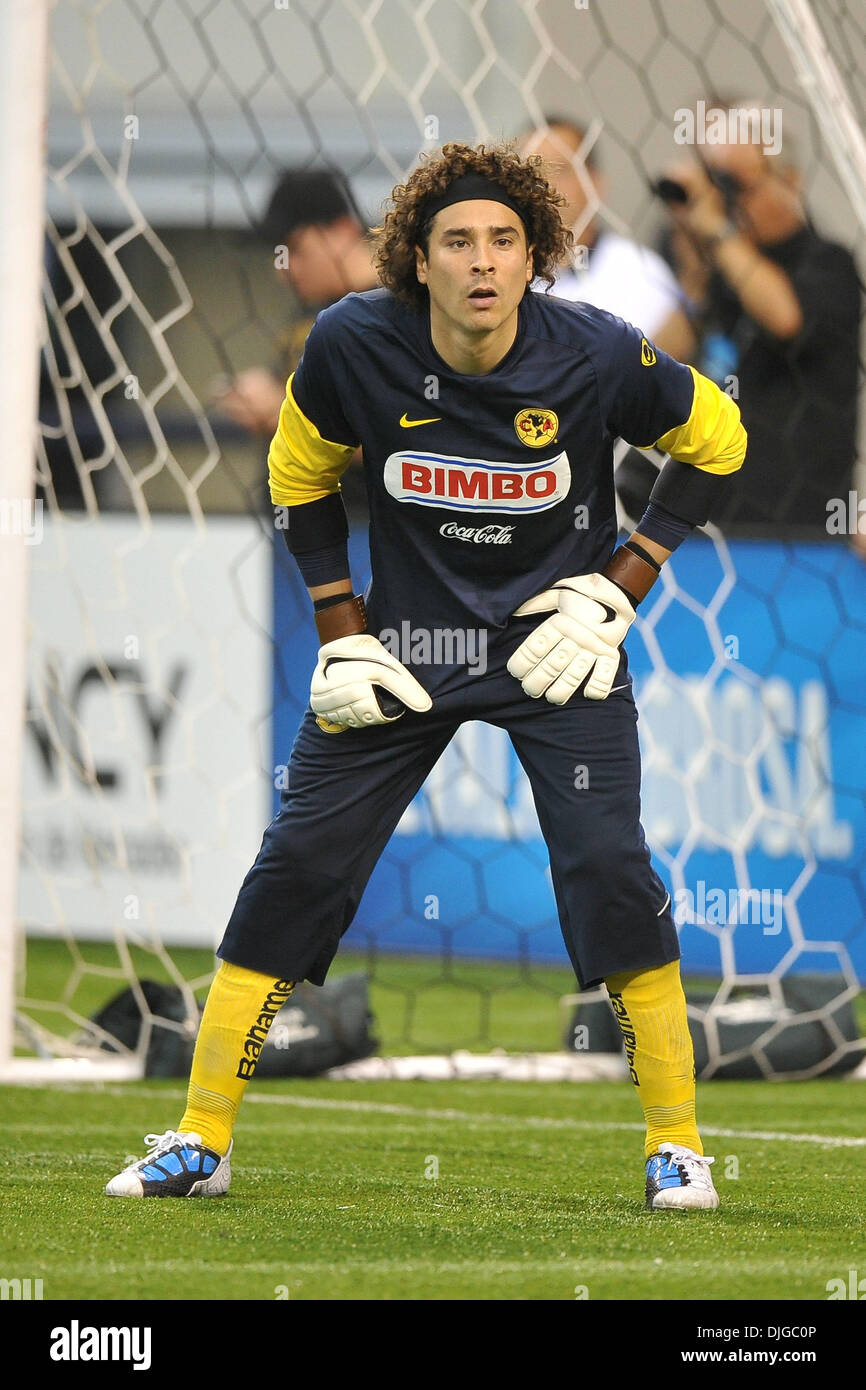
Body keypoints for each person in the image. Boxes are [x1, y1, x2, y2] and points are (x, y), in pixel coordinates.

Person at [106, 141, 746, 1211]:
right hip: (407, 650)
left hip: (557, 646)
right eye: (457, 241)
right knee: (299, 857)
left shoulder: (593, 354)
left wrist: (621, 585)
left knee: (607, 864)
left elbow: (718, 438)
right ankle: (201, 1139)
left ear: (535, 254)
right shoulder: (351, 344)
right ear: (416, 259)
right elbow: (296, 473)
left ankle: (675, 1145)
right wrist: (337, 627)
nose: (482, 261)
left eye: (504, 239)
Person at [657, 111, 861, 534]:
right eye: (717, 185)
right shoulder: (717, 272)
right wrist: (694, 274)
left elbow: (785, 318)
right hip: (700, 528)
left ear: (790, 180)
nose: (727, 202)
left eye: (735, 185)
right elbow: (657, 364)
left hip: (800, 531)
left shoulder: (829, 263)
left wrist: (717, 229)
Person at [212, 168, 378, 439]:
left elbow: (401, 436)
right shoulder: (314, 309)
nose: (282, 271)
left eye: (295, 249)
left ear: (344, 230)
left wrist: (283, 412)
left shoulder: (400, 311)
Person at [521, 117, 694, 361]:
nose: (544, 184)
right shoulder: (507, 278)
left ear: (594, 182)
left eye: (560, 170)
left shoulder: (639, 270)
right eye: (531, 173)